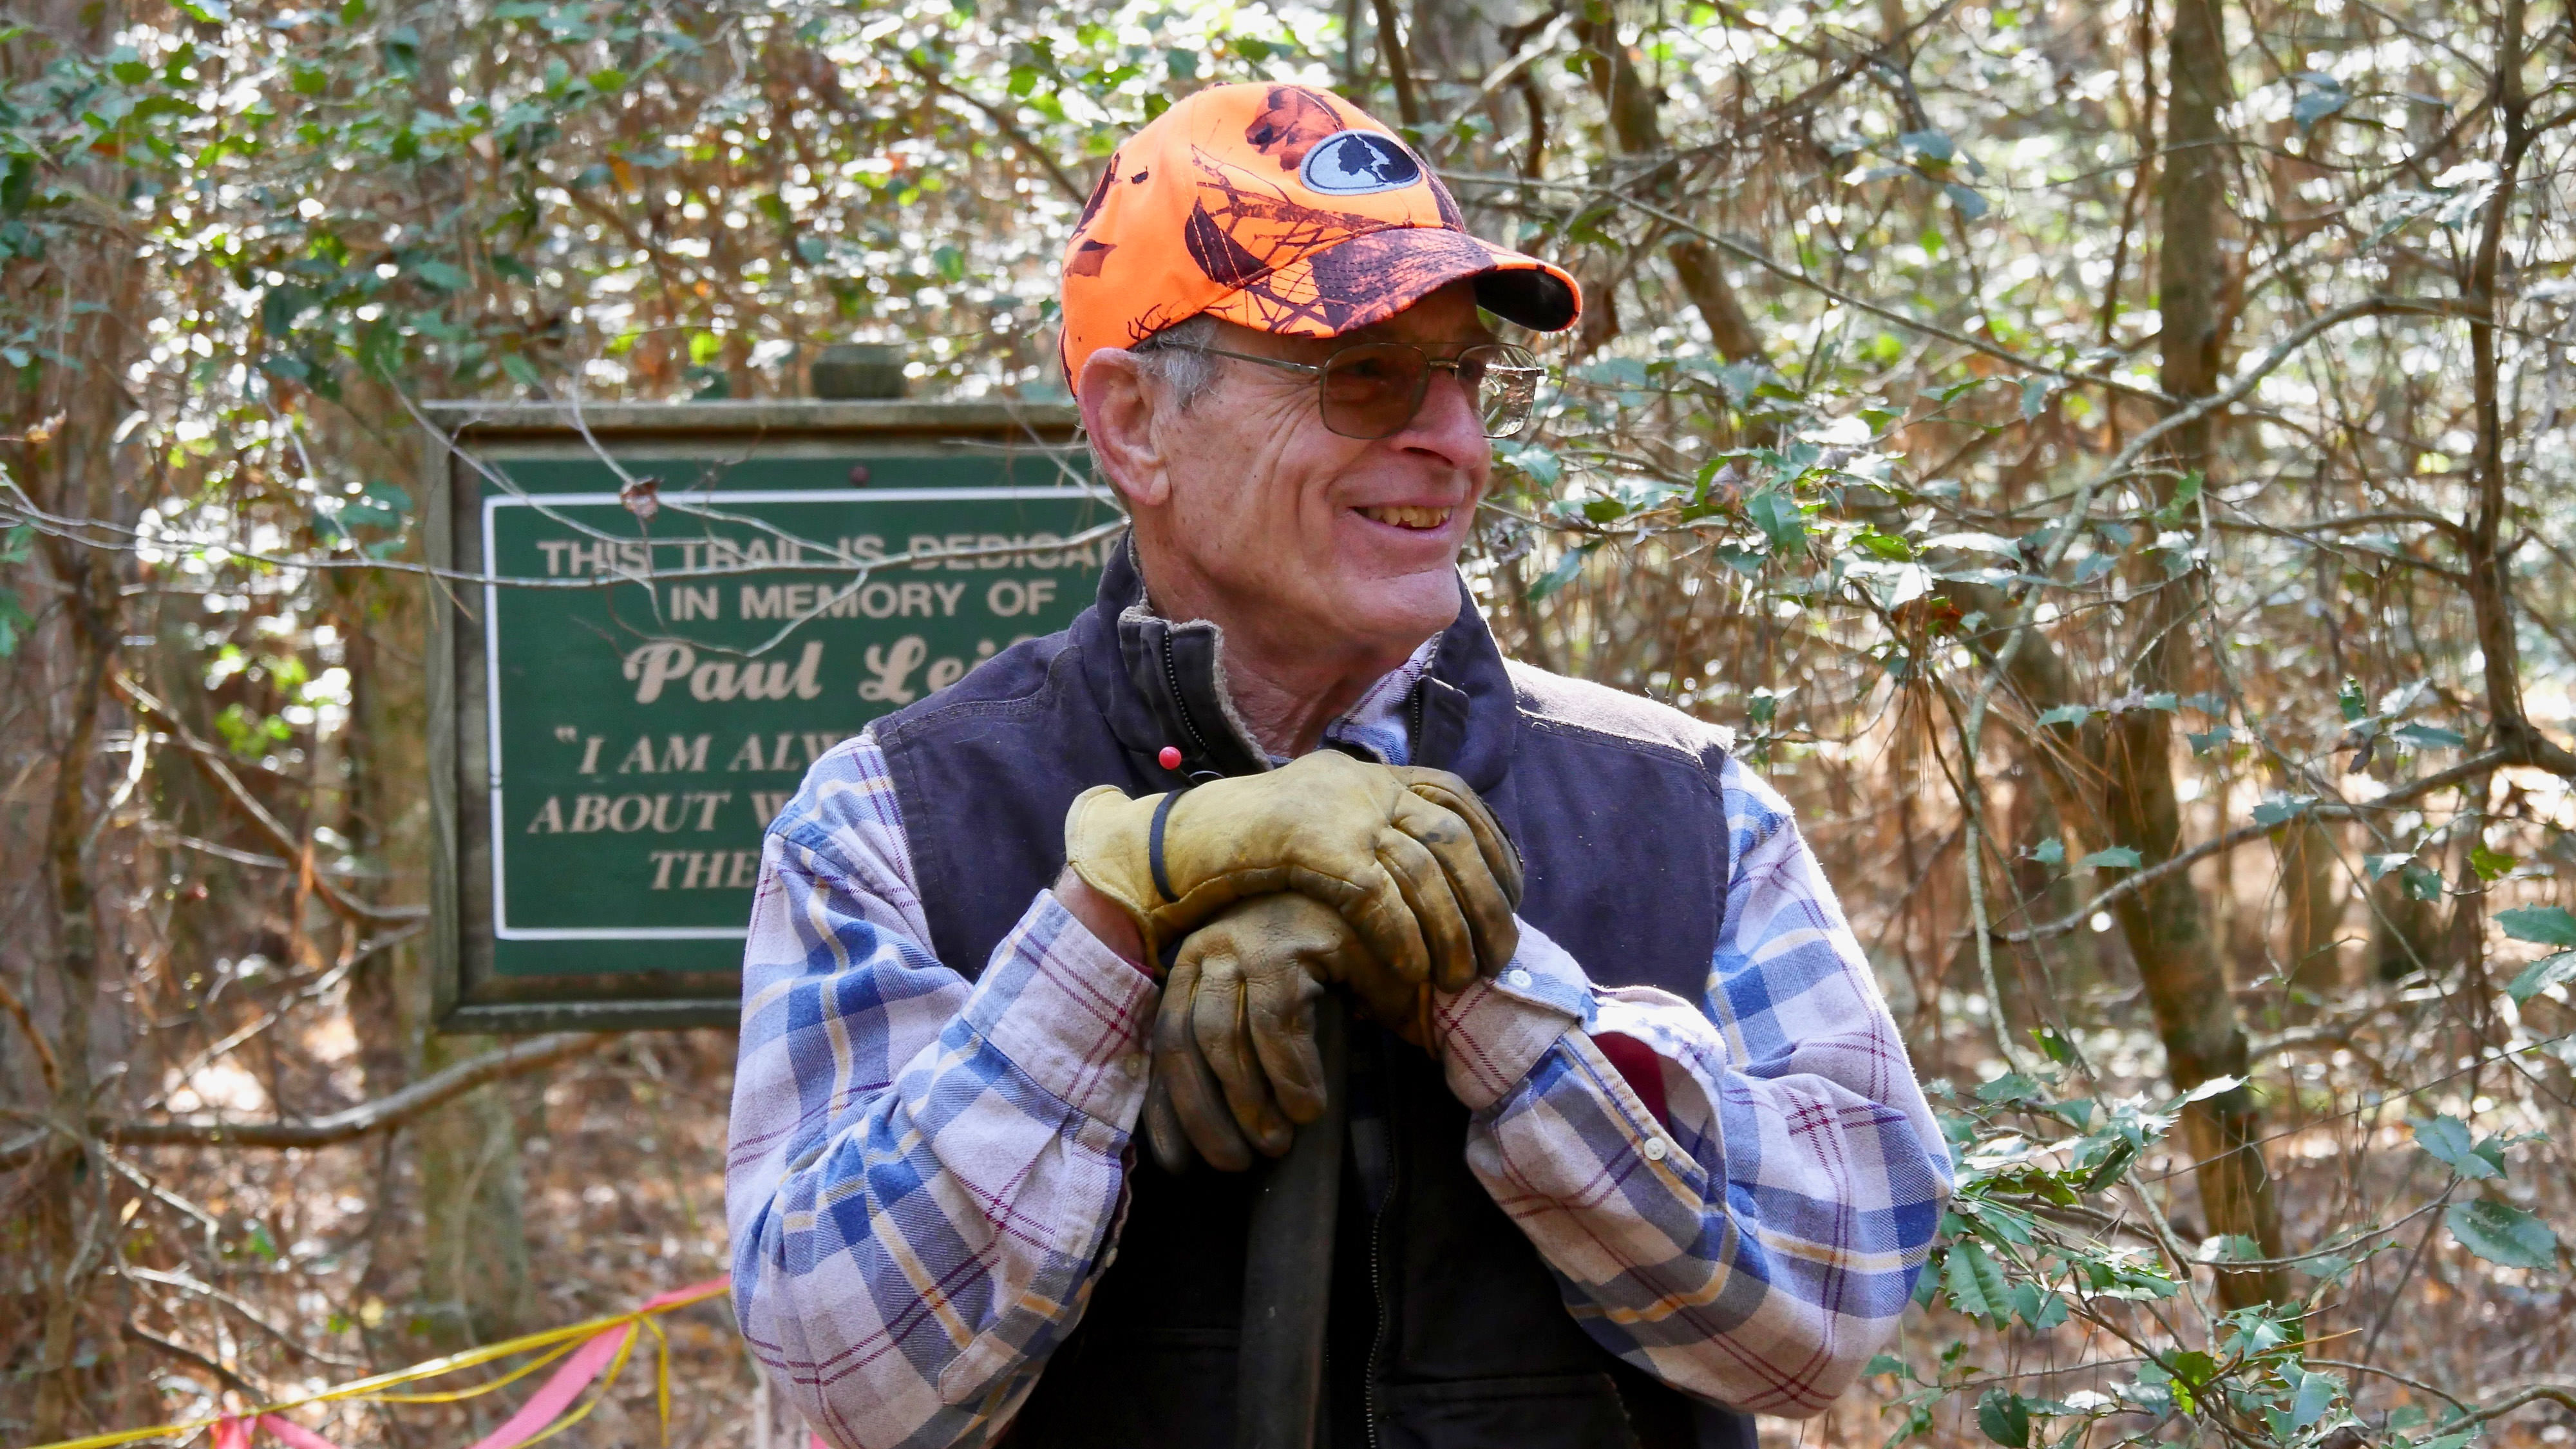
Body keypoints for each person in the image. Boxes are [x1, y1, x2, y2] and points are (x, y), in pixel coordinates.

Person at [725, 82, 1951, 1449]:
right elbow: (842, 1375)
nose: (1456, 442)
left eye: (1468, 375)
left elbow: (1828, 1314)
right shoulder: (895, 817)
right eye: (1361, 373)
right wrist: (1113, 920)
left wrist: (1466, 971)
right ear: (1134, 422)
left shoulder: (1682, 803)